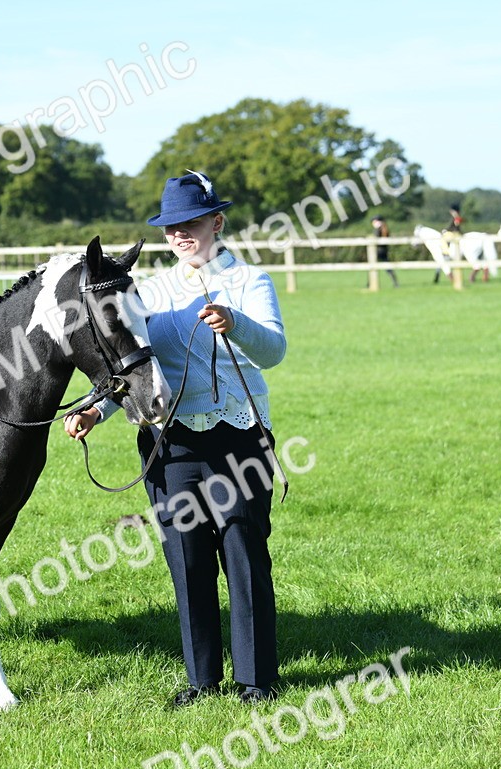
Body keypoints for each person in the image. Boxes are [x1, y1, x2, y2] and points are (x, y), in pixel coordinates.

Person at [65, 170, 286, 707]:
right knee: (186, 559)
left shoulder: (251, 281)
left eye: (191, 223)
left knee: (242, 550)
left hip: (239, 436)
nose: (181, 234)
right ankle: (201, 680)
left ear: (217, 221)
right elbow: (138, 367)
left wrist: (237, 324)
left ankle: (256, 681)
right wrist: (99, 407)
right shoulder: (152, 291)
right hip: (172, 444)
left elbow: (274, 351)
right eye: (171, 227)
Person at [437, 204, 464, 283]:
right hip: (453, 232)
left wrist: (446, 230)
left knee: (444, 238)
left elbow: (455, 226)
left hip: (455, 233)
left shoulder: (456, 217)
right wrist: (446, 229)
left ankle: (446, 252)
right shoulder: (455, 217)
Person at [371, 215, 399, 288]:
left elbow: (375, 238)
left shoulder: (380, 229)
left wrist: (376, 229)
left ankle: (370, 284)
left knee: (371, 268)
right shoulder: (385, 228)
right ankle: (395, 283)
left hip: (378, 251)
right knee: (388, 268)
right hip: (384, 251)